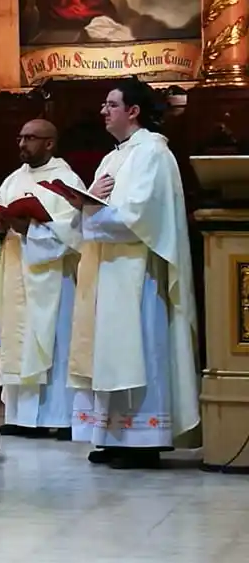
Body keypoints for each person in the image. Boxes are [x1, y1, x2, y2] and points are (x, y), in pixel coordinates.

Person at [64, 78, 200, 468]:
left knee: (138, 348)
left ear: (133, 111)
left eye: (111, 104)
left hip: (138, 273)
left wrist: (89, 207)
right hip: (109, 269)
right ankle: (114, 435)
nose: (103, 111)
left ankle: (144, 439)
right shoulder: (115, 156)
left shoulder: (153, 153)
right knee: (109, 352)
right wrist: (83, 201)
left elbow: (138, 216)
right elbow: (99, 207)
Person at [0, 119, 82, 438]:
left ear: (50, 143)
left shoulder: (65, 181)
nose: (22, 144)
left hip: (51, 279)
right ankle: (19, 417)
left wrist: (29, 229)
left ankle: (58, 418)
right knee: (17, 341)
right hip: (15, 273)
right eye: (20, 137)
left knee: (53, 344)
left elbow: (73, 233)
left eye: (30, 138)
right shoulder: (12, 181)